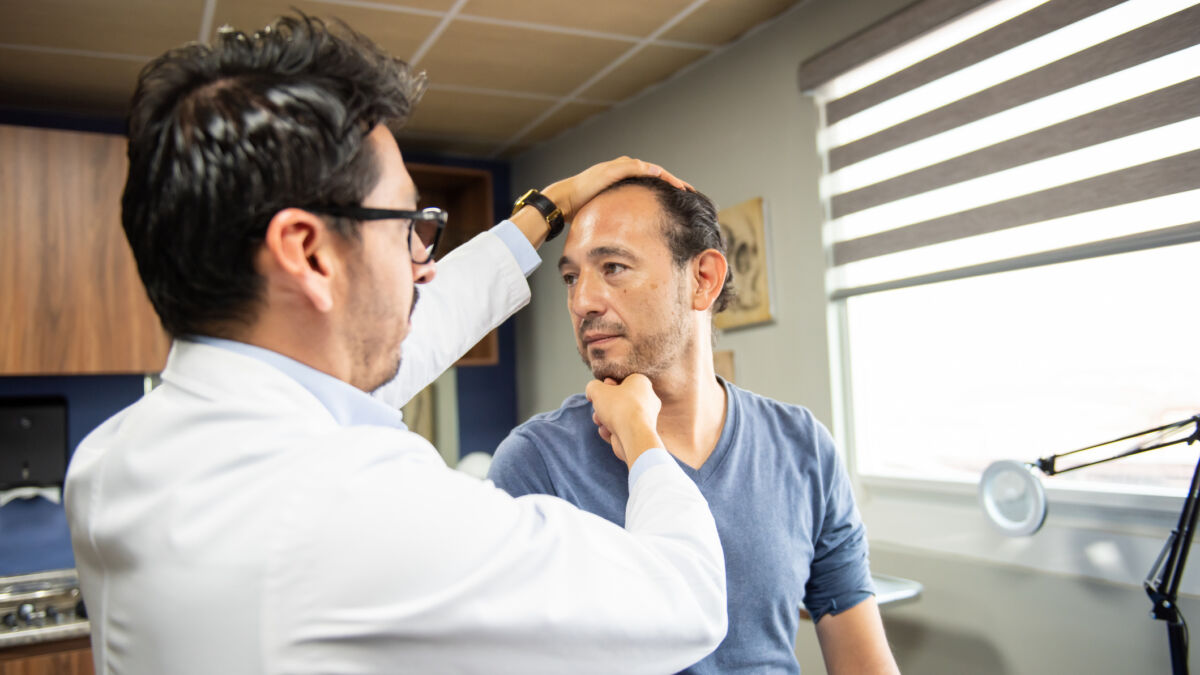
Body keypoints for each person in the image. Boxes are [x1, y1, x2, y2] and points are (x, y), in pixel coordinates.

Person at [63, 15, 729, 675]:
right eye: (408, 225)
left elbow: (405, 332)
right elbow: (686, 597)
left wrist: (546, 208)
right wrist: (642, 437)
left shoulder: (109, 460)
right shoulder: (355, 506)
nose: (425, 263)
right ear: (307, 253)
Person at [488, 176, 901, 674]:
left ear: (703, 279)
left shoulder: (802, 446)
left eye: (613, 267)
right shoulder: (537, 463)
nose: (582, 302)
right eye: (571, 278)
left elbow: (864, 662)